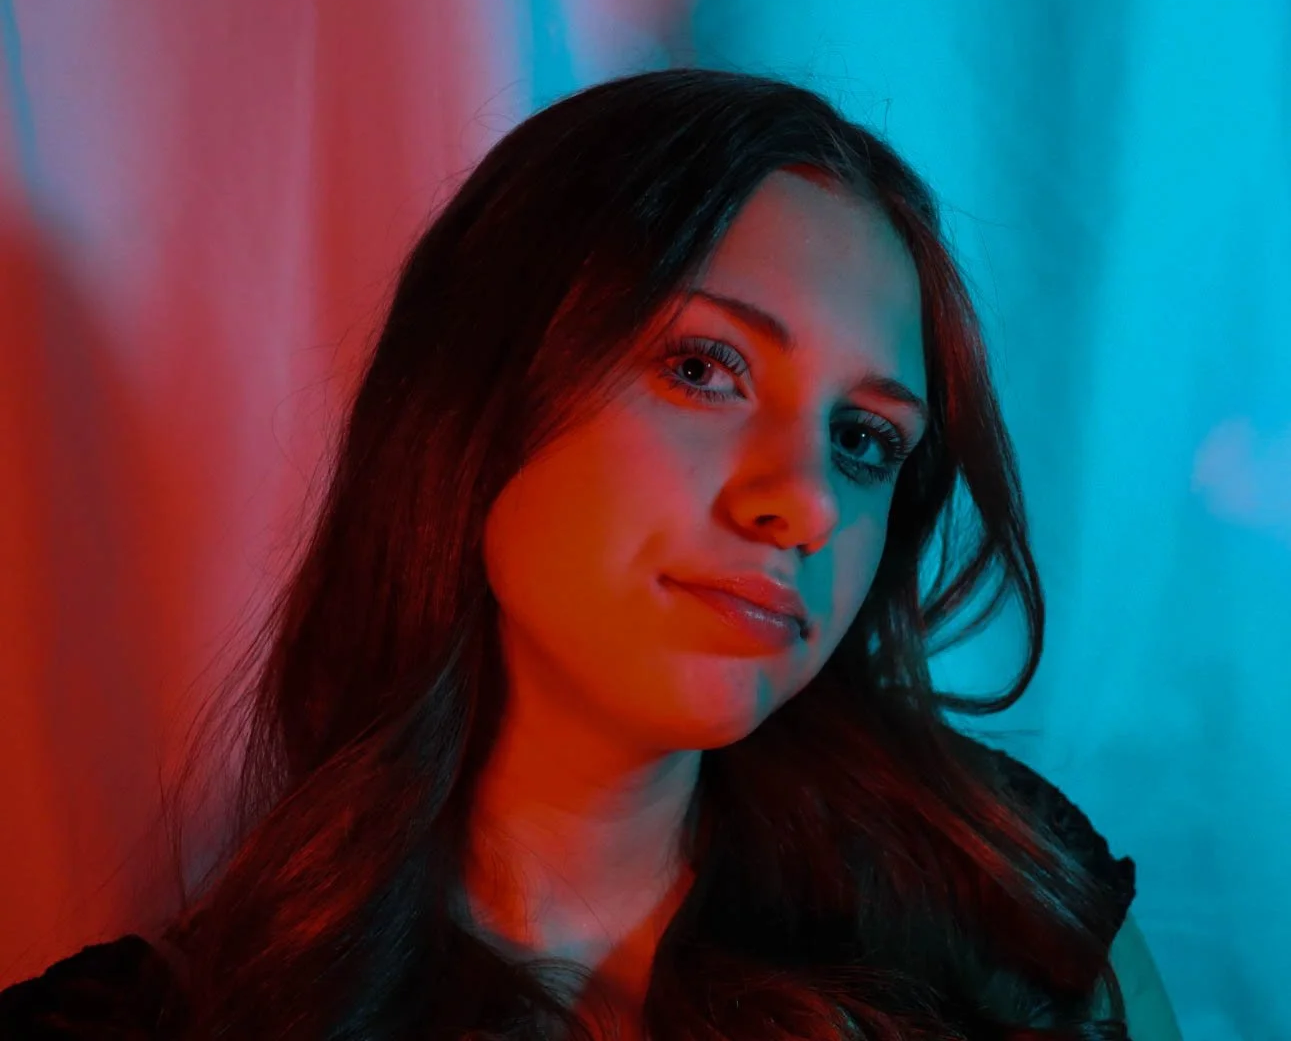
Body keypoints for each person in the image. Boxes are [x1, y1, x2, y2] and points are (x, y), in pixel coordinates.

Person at [0, 67, 1181, 1041]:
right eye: (703, 368)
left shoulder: (1007, 901)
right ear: (480, 392)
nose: (807, 503)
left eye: (865, 439)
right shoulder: (157, 1020)